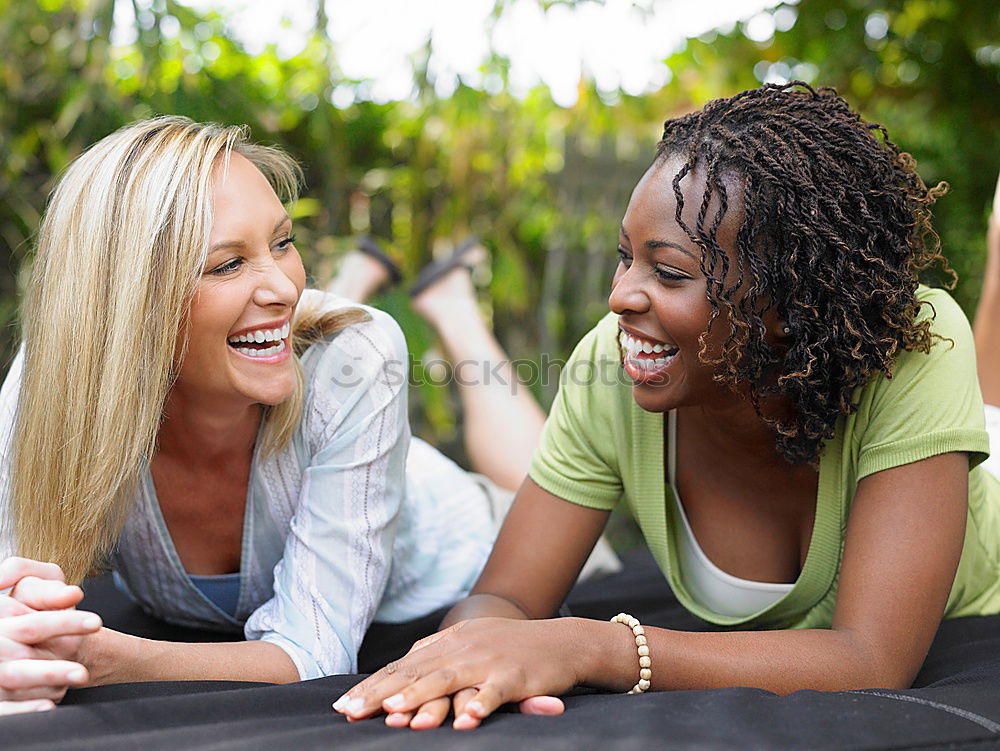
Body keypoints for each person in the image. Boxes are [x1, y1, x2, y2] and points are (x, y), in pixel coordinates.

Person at [334, 82, 1000, 731]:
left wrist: (589, 646)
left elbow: (870, 656)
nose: (621, 295)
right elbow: (505, 595)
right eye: (626, 258)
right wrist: (476, 656)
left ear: (792, 299)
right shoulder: (611, 365)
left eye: (670, 272)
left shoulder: (910, 343)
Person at [0, 116, 608, 714]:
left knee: (536, 487)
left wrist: (109, 659)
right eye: (227, 263)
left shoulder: (361, 356)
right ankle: (362, 290)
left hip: (460, 529)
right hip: (330, 434)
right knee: (309, 339)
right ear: (130, 300)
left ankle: (456, 311)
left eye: (283, 242)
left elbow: (314, 652)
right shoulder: (58, 380)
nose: (287, 286)